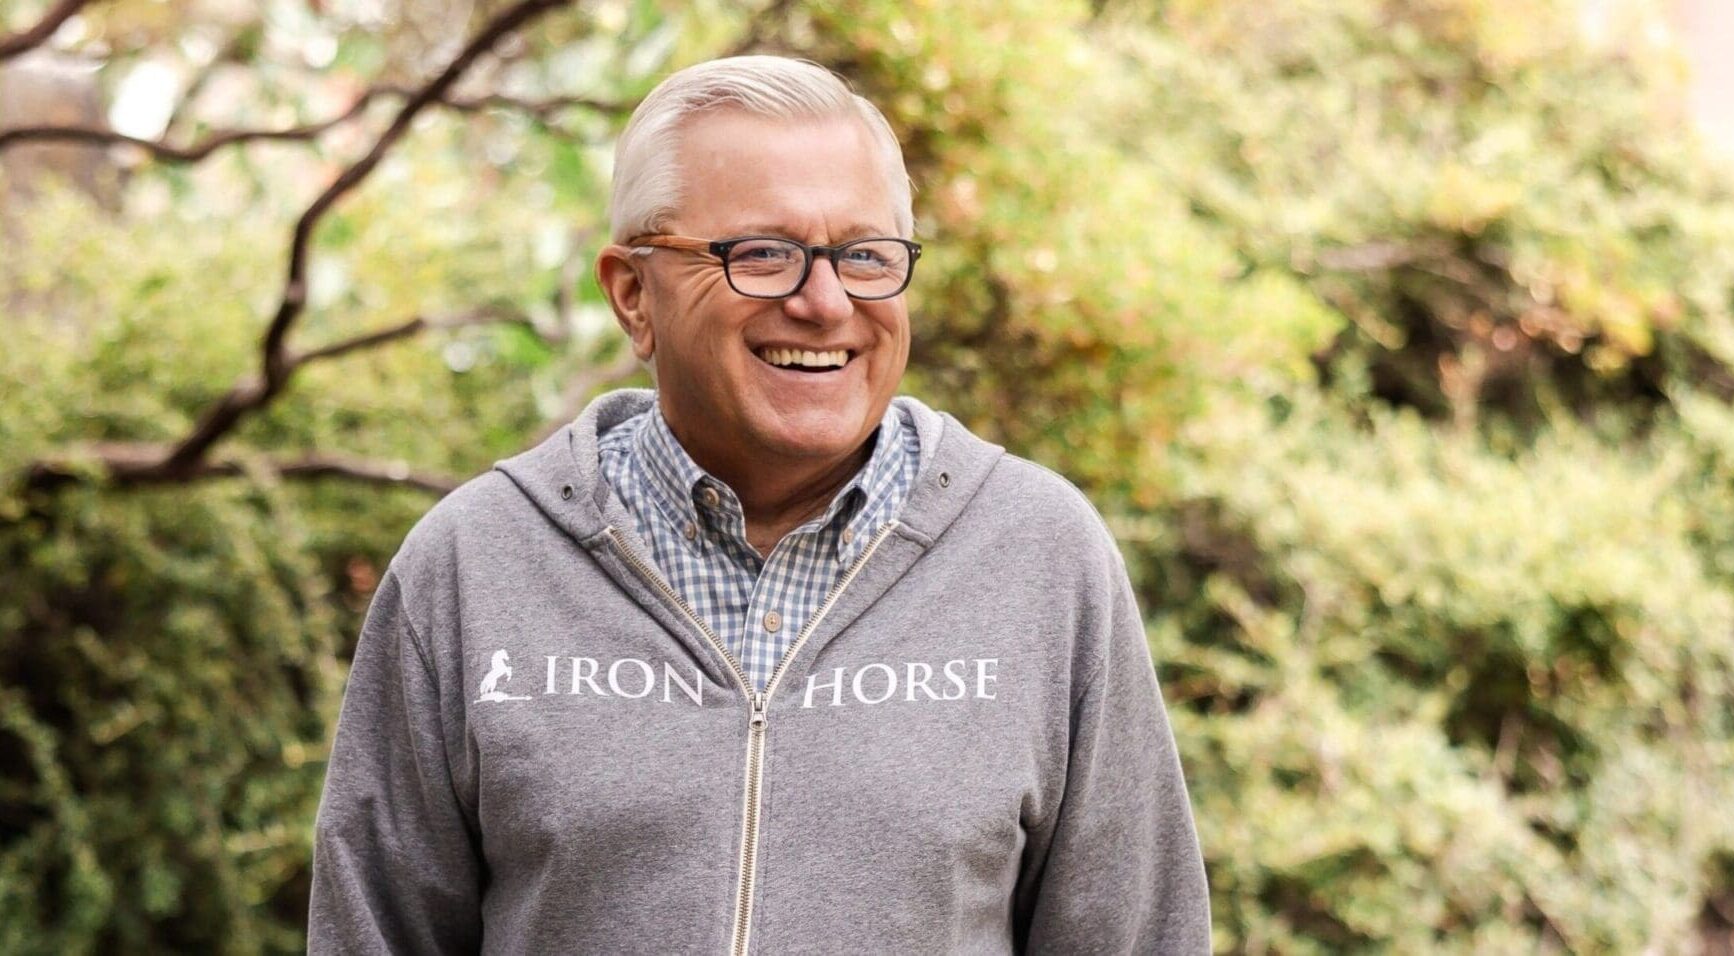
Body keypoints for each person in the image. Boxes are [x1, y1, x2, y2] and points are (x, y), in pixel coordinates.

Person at [307, 55, 1210, 954]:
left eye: (863, 256)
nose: (825, 303)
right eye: (763, 255)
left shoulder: (1040, 558)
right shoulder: (473, 566)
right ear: (633, 296)